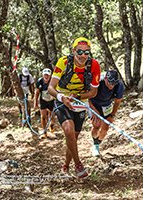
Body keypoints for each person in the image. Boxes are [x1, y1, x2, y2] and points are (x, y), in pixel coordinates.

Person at [48, 37, 101, 178]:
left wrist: (77, 97)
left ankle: (65, 166)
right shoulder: (64, 62)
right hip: (61, 98)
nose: (83, 56)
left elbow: (93, 92)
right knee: (68, 129)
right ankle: (78, 165)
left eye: (86, 52)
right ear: (73, 51)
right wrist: (62, 98)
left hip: (79, 101)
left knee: (73, 138)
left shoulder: (94, 65)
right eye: (79, 52)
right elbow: (51, 88)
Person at [89, 70, 124, 156]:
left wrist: (112, 115)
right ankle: (95, 144)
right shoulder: (98, 81)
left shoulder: (119, 85)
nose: (111, 86)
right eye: (109, 83)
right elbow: (87, 98)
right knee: (96, 125)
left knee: (106, 127)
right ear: (105, 79)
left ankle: (98, 143)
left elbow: (117, 102)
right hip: (93, 104)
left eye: (114, 84)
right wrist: (94, 112)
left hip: (106, 104)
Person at [34, 68, 56, 139]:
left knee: (51, 115)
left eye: (48, 75)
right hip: (43, 100)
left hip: (51, 100)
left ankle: (51, 126)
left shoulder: (53, 81)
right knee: (43, 116)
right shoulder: (39, 81)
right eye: (45, 75)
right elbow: (37, 92)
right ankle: (44, 131)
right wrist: (36, 103)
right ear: (43, 75)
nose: (46, 77)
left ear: (50, 76)